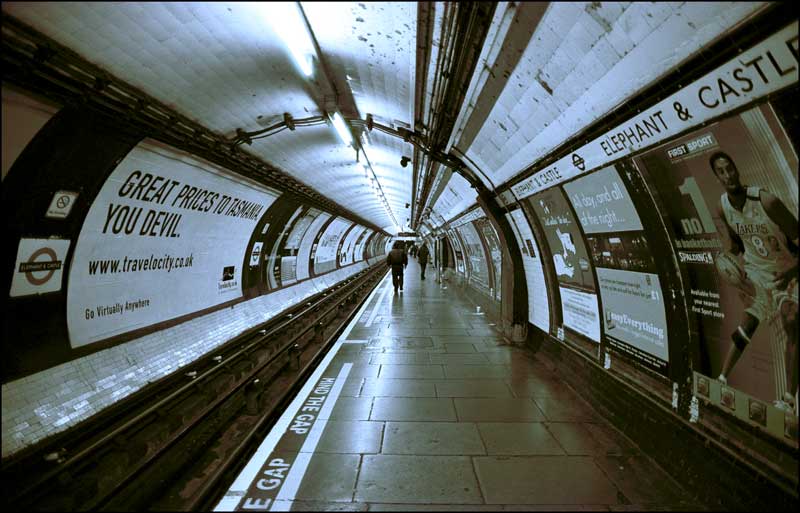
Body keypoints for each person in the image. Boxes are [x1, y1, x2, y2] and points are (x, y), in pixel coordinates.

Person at [711, 151, 798, 413]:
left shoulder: (766, 201)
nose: (728, 176)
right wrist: (727, 260)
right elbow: (737, 245)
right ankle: (722, 379)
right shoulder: (723, 206)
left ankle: (788, 400)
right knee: (748, 322)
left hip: (783, 270)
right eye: (722, 172)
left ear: (737, 169)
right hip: (757, 273)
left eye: (731, 169)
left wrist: (792, 271)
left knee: (791, 321)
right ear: (717, 176)